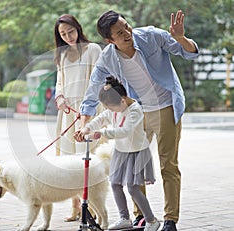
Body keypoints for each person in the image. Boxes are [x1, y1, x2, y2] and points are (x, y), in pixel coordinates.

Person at [75, 10, 199, 231]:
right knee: (135, 167)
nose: (127, 33)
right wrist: (84, 123)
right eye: (119, 33)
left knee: (168, 165)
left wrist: (181, 38)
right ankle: (141, 217)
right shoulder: (108, 58)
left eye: (127, 27)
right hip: (137, 111)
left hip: (166, 108)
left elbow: (189, 53)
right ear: (109, 40)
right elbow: (93, 91)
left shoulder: (151, 36)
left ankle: (170, 220)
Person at [77, 77, 160, 231]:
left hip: (137, 152)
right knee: (115, 184)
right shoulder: (115, 108)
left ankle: (151, 220)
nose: (111, 111)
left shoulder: (135, 110)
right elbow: (101, 118)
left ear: (122, 101)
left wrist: (101, 133)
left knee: (133, 187)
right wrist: (86, 128)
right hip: (121, 151)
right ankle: (124, 218)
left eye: (112, 108)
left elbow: (125, 131)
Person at [53, 14, 102, 222]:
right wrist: (60, 97)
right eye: (63, 34)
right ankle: (75, 208)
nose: (68, 37)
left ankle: (90, 208)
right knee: (68, 162)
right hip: (67, 113)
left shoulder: (93, 50)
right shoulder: (62, 55)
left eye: (70, 31)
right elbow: (59, 82)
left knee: (87, 160)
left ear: (78, 28)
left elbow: (99, 79)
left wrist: (86, 110)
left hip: (88, 113)